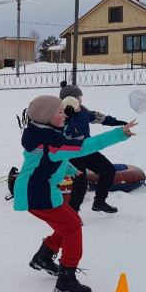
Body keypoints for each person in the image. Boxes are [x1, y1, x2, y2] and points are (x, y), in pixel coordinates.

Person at [13, 95, 137, 292]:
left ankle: (43, 257)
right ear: (46, 117)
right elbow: (83, 147)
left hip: (40, 189)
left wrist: (69, 169)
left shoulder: (39, 134)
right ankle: (66, 279)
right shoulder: (51, 139)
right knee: (72, 227)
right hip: (37, 192)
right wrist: (119, 133)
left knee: (69, 224)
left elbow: (42, 158)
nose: (65, 115)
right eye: (60, 112)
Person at [59, 82, 128, 214]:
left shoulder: (83, 111)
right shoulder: (61, 116)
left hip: (88, 150)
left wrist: (116, 122)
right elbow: (62, 135)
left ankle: (99, 202)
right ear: (70, 101)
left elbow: (98, 117)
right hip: (74, 155)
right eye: (78, 98)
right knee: (80, 184)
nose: (81, 100)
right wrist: (67, 118)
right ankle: (73, 214)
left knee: (108, 170)